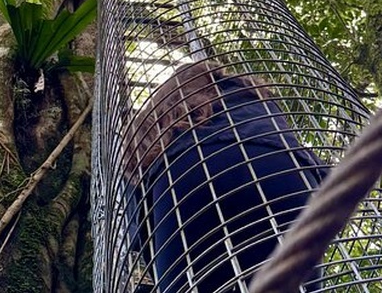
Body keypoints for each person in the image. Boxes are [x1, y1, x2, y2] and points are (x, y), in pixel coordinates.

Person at [122, 61, 326, 292]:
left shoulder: (149, 127)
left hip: (183, 184)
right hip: (282, 171)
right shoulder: (249, 93)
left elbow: (134, 215)